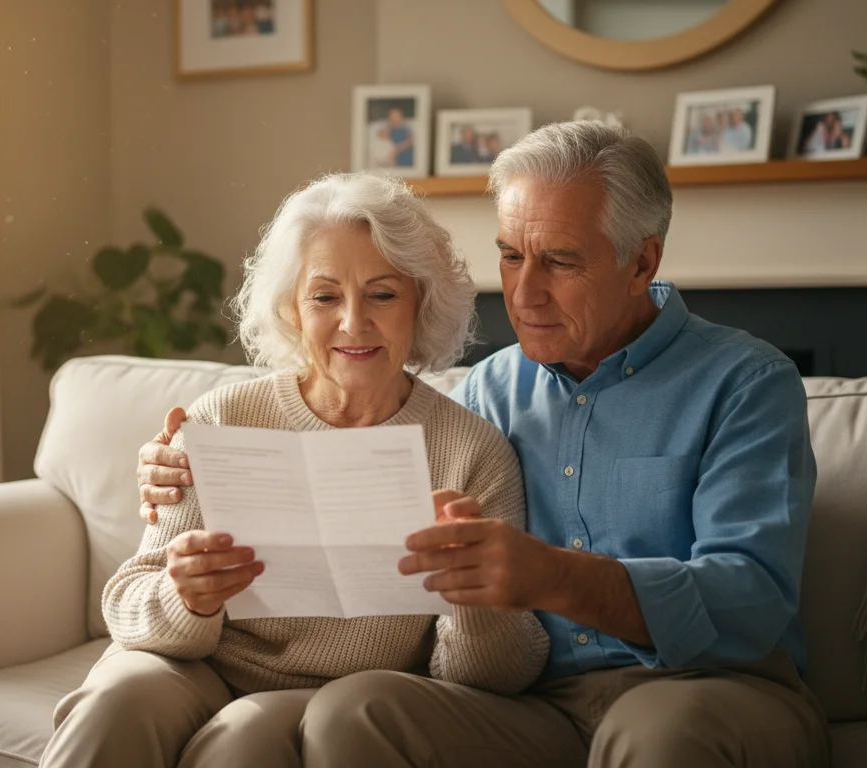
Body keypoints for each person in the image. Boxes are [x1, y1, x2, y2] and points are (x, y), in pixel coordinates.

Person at [138, 121, 831, 767]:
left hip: (711, 687)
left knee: (657, 733)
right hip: (535, 707)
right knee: (355, 710)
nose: (524, 294)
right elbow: (348, 460)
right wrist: (183, 470)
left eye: (559, 261)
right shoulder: (484, 394)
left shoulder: (746, 383)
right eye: (509, 255)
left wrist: (556, 577)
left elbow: (753, 600)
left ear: (641, 260)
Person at [40, 173, 549, 768]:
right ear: (291, 309)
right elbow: (127, 604)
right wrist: (186, 596)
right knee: (115, 700)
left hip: (339, 701)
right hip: (194, 665)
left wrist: (472, 596)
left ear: (422, 303)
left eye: (382, 295)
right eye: (325, 297)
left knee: (241, 739)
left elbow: (492, 676)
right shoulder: (223, 417)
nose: (353, 323)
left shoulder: (472, 452)